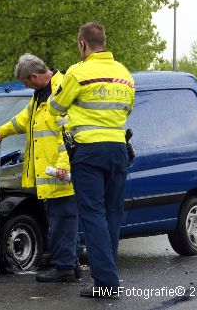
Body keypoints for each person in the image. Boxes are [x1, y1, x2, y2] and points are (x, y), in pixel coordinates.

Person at [48, 22, 135, 297]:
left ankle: (107, 283)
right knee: (112, 213)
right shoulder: (125, 74)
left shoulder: (78, 72)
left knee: (93, 214)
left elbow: (55, 106)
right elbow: (127, 108)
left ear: (82, 44)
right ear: (104, 42)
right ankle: (108, 277)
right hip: (119, 149)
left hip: (88, 152)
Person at [0, 54, 80, 282]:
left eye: (26, 82)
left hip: (59, 173)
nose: (26, 86)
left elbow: (68, 133)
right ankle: (70, 264)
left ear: (34, 76)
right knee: (59, 219)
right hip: (50, 174)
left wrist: (63, 164)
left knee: (63, 220)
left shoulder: (61, 90)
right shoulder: (39, 96)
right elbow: (24, 120)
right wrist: (3, 130)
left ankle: (64, 268)